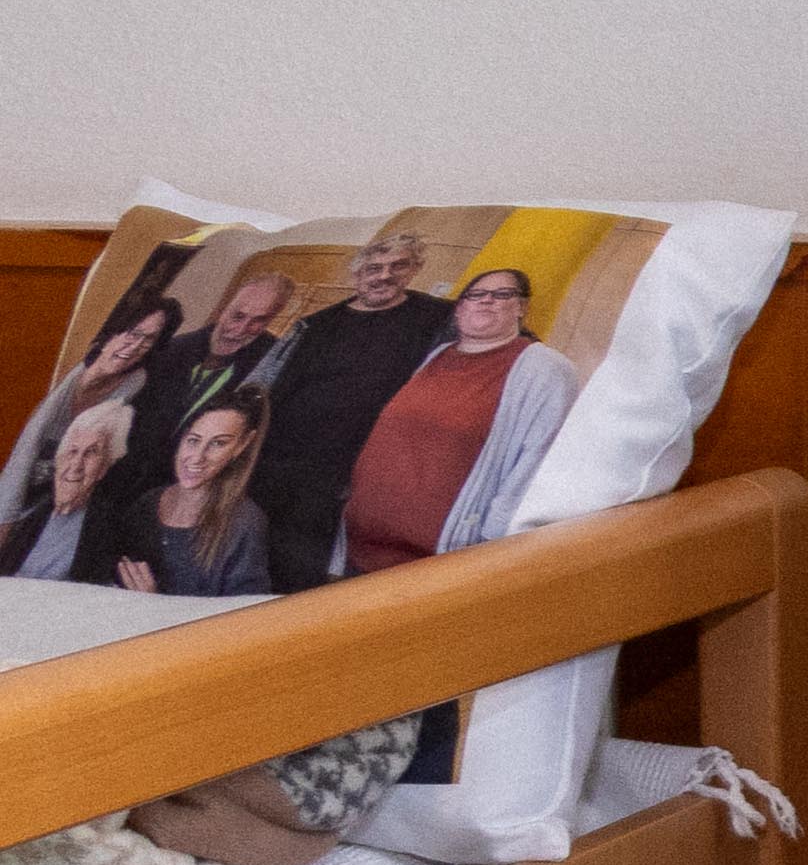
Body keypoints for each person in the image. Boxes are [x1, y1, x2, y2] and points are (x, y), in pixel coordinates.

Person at [334, 263, 576, 579]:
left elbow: (538, 460)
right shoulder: (438, 355)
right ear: (459, 309)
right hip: (361, 550)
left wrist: (493, 545)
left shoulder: (545, 368)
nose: (486, 300)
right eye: (475, 294)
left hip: (436, 565)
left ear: (521, 308)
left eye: (502, 294)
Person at [252, 226, 453, 592]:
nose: (385, 276)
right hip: (279, 461)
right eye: (374, 267)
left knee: (306, 572)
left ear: (414, 270)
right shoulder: (314, 325)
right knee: (256, 553)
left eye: (398, 266)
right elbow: (261, 385)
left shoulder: (436, 318)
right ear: (357, 273)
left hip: (353, 473)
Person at [5, 298, 176, 535]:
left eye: (148, 339)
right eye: (133, 332)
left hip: (49, 495)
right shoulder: (72, 367)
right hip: (11, 479)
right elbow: (27, 445)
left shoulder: (134, 381)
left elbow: (97, 446)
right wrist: (6, 516)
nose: (136, 345)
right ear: (113, 331)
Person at [107, 393, 277, 600]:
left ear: (242, 445)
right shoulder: (146, 504)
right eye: (193, 440)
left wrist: (154, 603)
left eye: (218, 443)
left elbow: (248, 616)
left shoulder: (246, 522)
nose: (197, 457)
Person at [133, 267, 298, 477]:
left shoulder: (273, 364)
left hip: (195, 475)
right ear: (224, 307)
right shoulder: (174, 348)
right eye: (238, 316)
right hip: (135, 466)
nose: (241, 329)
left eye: (258, 321)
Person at [7, 402, 137, 583]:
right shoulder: (28, 513)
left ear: (105, 467)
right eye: (73, 451)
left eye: (91, 453)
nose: (76, 465)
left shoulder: (107, 530)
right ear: (59, 460)